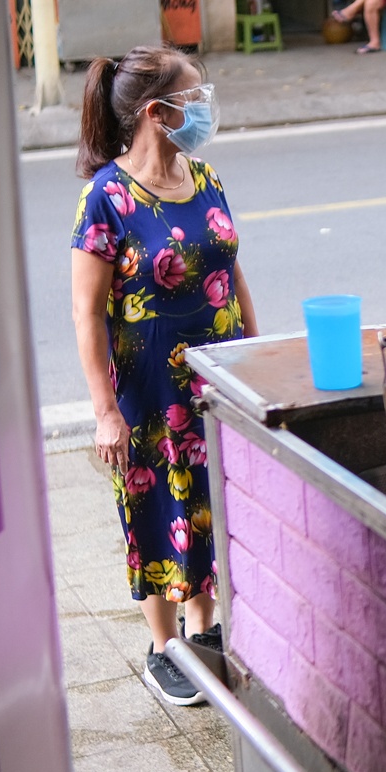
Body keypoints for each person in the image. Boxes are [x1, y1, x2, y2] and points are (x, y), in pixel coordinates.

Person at [70, 47, 257, 708]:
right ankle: (164, 642)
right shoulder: (107, 198)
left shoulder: (205, 177)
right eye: (196, 96)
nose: (205, 107)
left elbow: (231, 270)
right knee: (156, 508)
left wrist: (257, 356)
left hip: (219, 386)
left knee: (210, 503)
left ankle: (205, 629)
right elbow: (87, 312)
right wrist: (103, 410)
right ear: (158, 112)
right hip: (150, 394)